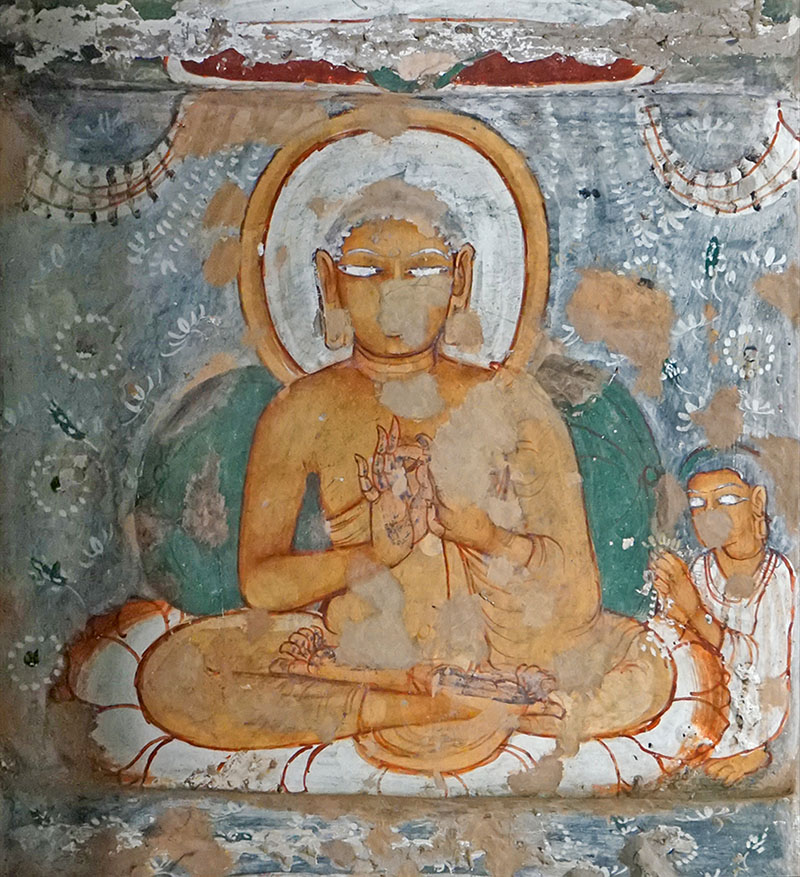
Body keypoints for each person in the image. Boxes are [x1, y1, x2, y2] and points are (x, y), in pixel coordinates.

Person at [76, 179, 725, 782]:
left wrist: (484, 536)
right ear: (329, 281)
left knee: (645, 666)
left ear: (460, 278)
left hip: (502, 652)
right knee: (176, 673)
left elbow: (577, 596)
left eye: (422, 271)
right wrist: (372, 555)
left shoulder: (513, 400)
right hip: (363, 652)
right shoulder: (301, 409)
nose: (395, 296)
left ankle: (435, 699)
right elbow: (263, 582)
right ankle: (416, 703)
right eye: (367, 271)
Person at [649, 449, 795, 785]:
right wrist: (671, 604)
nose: (708, 514)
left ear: (757, 502)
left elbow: (758, 663)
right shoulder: (701, 569)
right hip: (703, 695)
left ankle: (751, 752)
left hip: (752, 708)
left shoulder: (777, 576)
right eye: (697, 504)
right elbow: (680, 641)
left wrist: (695, 611)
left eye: (726, 499)